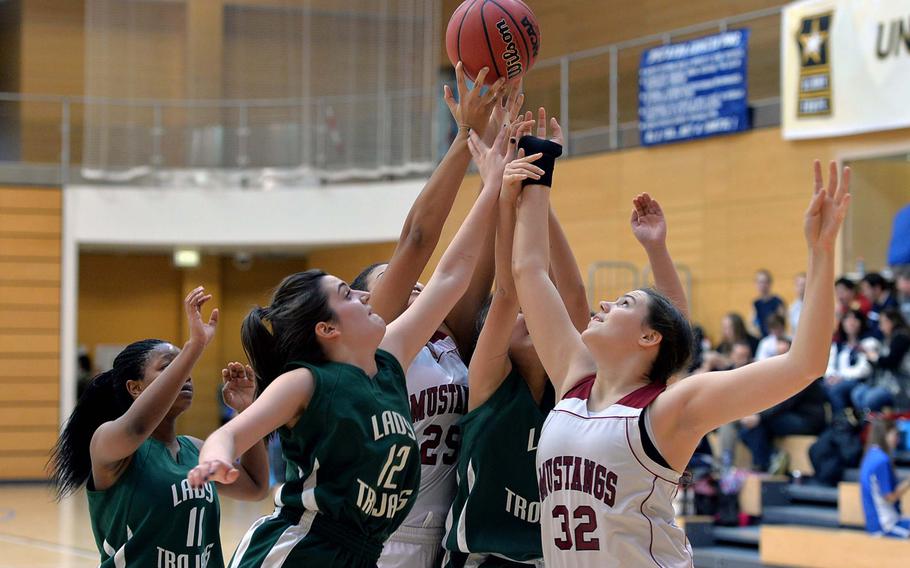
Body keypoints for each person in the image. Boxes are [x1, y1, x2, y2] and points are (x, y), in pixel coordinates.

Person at [187, 124, 536, 568]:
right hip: (300, 548)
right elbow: (231, 433)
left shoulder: (389, 360)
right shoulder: (307, 382)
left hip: (366, 552)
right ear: (327, 329)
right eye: (347, 294)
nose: (367, 297)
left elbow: (451, 276)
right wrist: (215, 457)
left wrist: (491, 187)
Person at [512, 141, 849, 567]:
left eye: (623, 304)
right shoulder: (574, 380)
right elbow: (528, 271)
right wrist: (538, 162)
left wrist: (821, 254)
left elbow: (805, 364)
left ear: (649, 338)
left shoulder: (669, 410)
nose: (603, 306)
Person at [349, 67, 524, 568]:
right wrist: (463, 137)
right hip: (379, 534)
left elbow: (484, 261)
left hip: (447, 534)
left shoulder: (450, 340)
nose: (415, 282)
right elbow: (417, 241)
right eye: (391, 279)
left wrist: (497, 147)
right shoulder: (375, 343)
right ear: (365, 303)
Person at [443, 116, 587, 567]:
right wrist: (510, 197)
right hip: (480, 558)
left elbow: (572, 294)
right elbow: (508, 291)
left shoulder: (571, 384)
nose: (531, 315)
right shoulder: (487, 383)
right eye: (520, 318)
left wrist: (540, 182)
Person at [50, 288, 269, 568]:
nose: (185, 374)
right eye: (170, 366)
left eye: (183, 366)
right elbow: (138, 427)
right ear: (135, 387)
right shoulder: (108, 443)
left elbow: (256, 486)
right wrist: (195, 346)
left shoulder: (197, 450)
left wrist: (246, 410)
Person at [739, 338, 827, 472]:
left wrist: (759, 417)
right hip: (791, 415)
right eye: (778, 354)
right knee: (746, 430)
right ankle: (771, 459)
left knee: (760, 424)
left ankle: (766, 464)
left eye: (784, 354)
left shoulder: (802, 373)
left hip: (808, 420)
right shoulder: (780, 374)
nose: (780, 358)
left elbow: (784, 402)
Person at [860, 417, 910, 538]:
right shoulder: (881, 460)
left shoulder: (871, 454)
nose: (897, 440)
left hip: (879, 523)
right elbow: (889, 497)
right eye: (895, 435)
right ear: (885, 434)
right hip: (886, 526)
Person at [824, 309, 878, 417]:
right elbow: (828, 365)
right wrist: (831, 376)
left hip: (858, 382)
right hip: (834, 379)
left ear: (862, 323)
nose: (851, 322)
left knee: (836, 390)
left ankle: (841, 424)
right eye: (847, 319)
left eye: (855, 319)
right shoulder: (837, 345)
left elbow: (864, 370)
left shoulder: (869, 342)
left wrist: (840, 376)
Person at [858, 308, 910, 412]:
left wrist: (875, 357)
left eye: (882, 323)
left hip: (901, 384)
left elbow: (891, 362)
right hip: (887, 382)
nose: (880, 327)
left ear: (892, 322)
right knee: (858, 393)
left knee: (870, 399)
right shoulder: (889, 338)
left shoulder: (901, 337)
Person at [752, 269, 786, 337]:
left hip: (776, 337)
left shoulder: (777, 301)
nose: (762, 285)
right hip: (762, 338)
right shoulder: (756, 303)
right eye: (760, 282)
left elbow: (783, 322)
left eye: (765, 282)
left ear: (770, 283)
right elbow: (752, 323)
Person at [862, 272, 897, 338]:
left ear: (877, 288)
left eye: (865, 290)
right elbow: (870, 326)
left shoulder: (893, 304)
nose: (864, 294)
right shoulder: (875, 305)